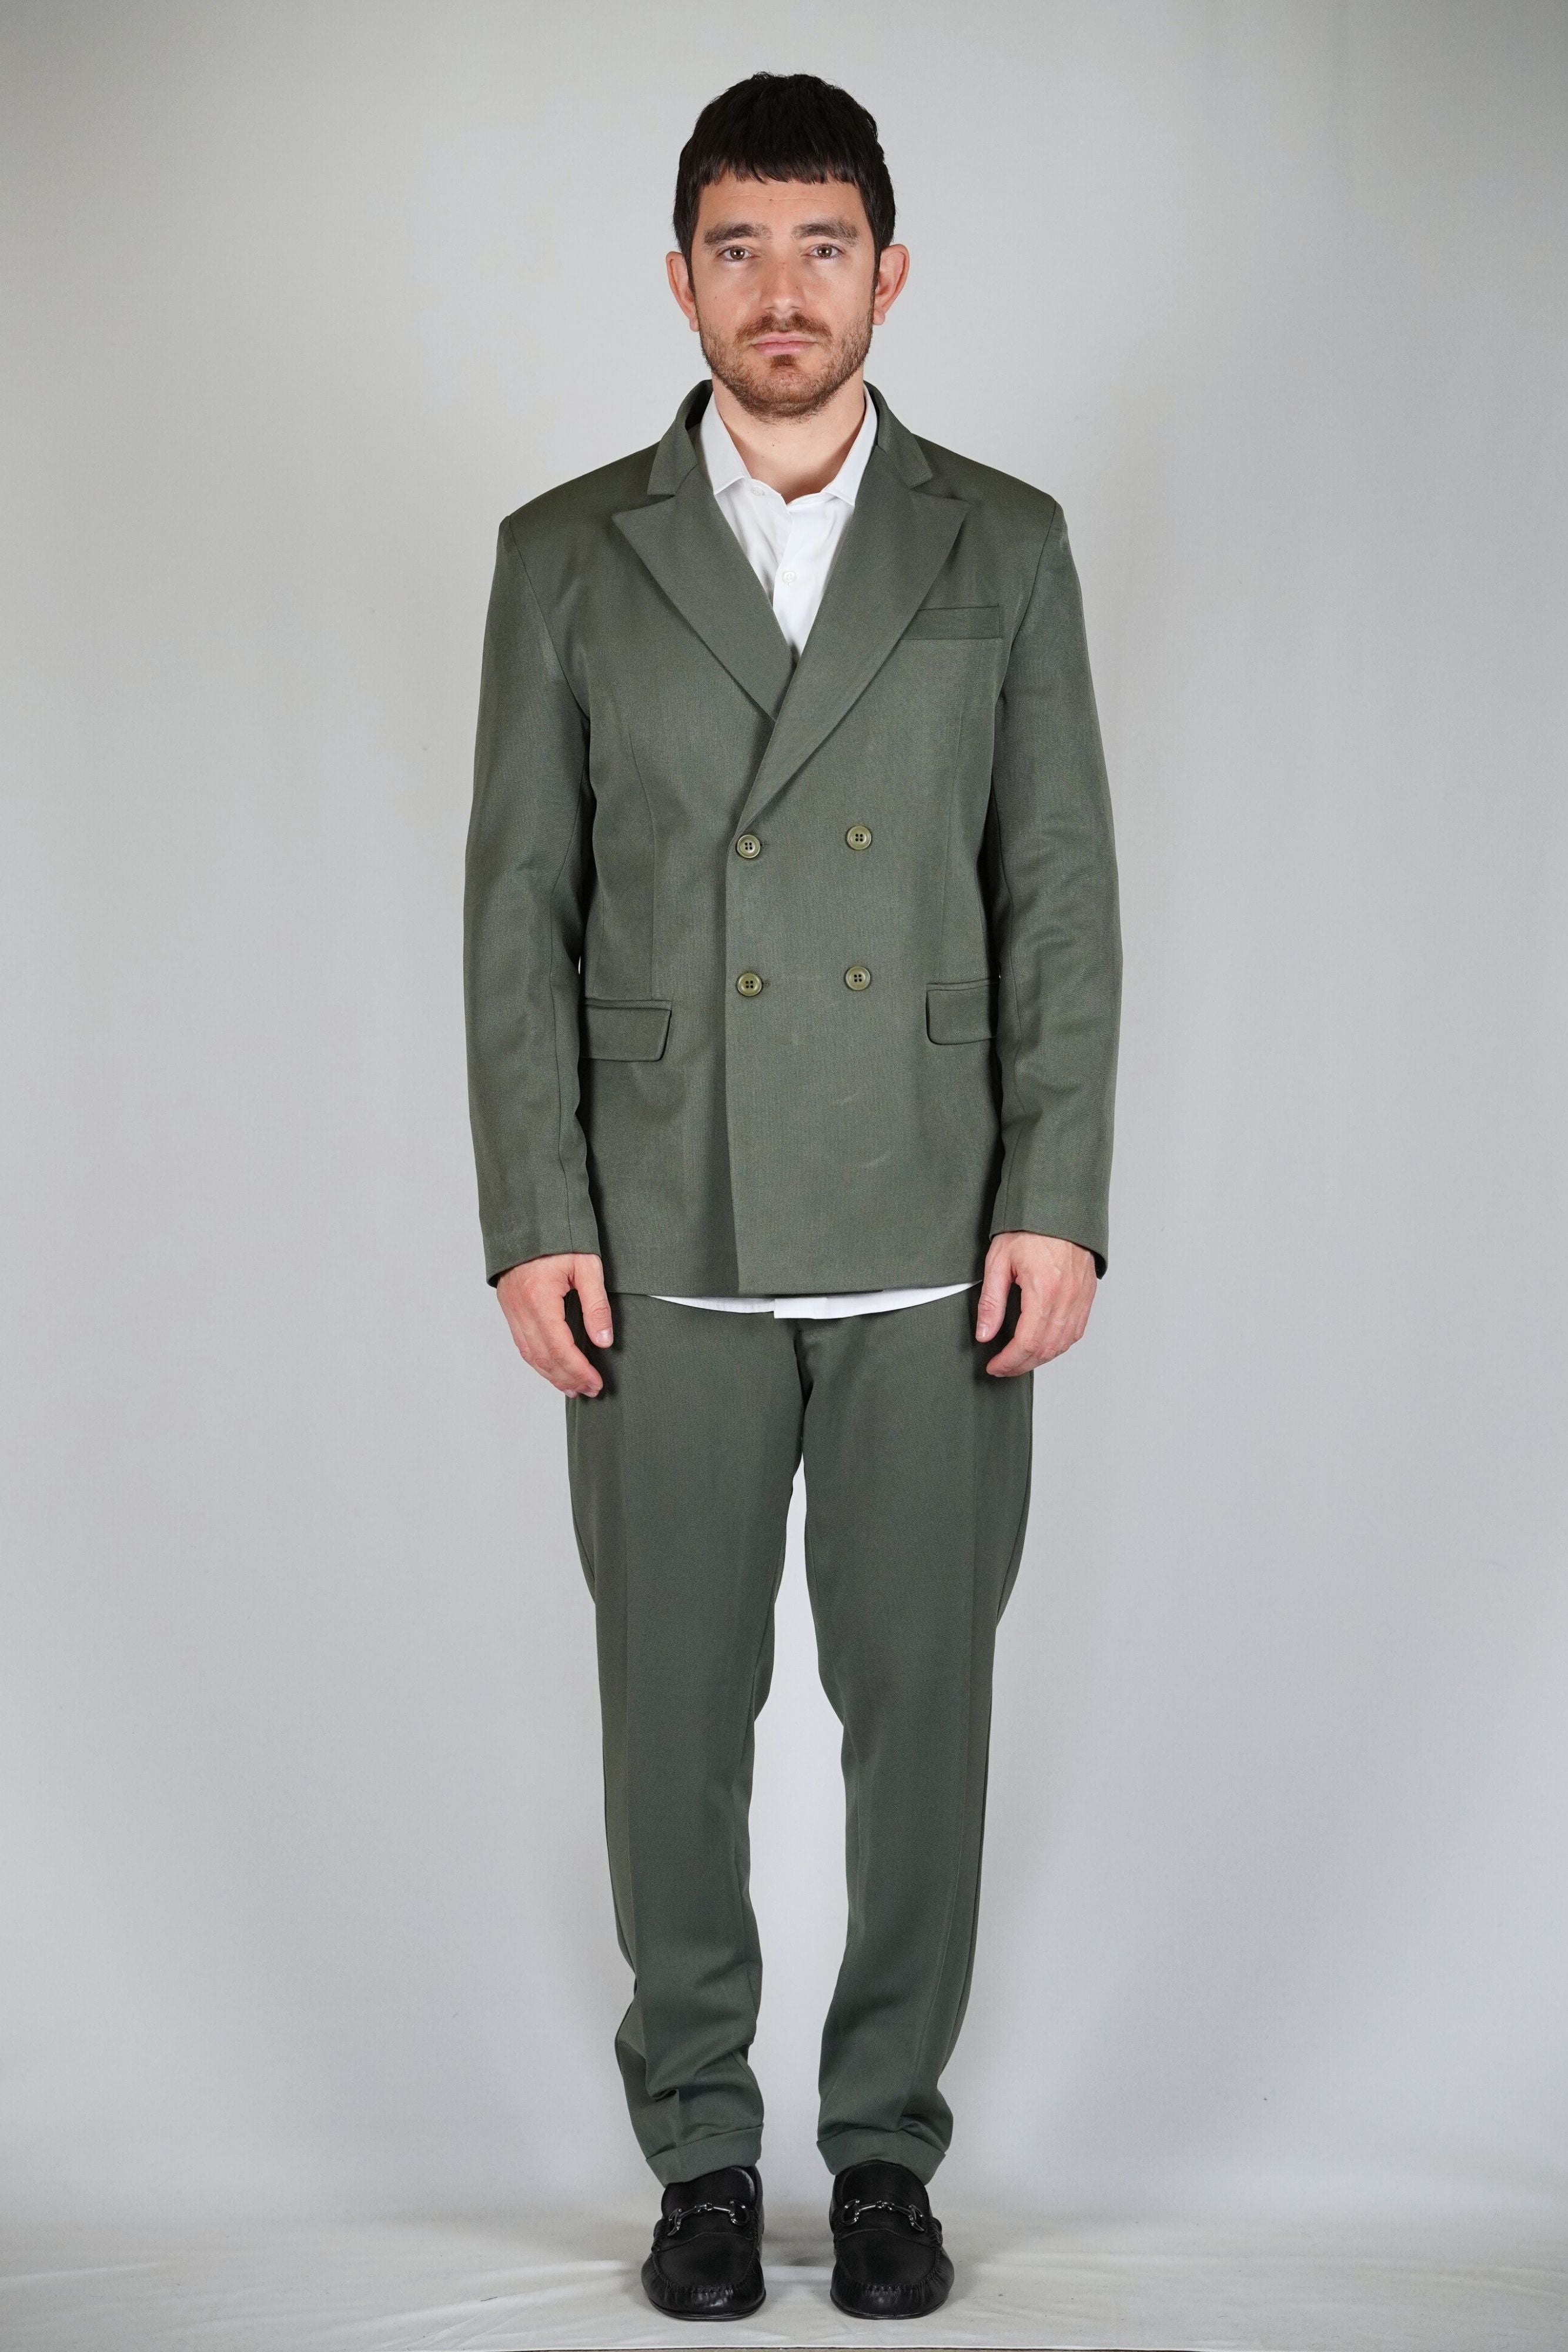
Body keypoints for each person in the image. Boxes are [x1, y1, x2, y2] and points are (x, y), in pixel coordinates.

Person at [463, 69, 1121, 2323]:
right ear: (679, 278)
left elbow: (1056, 892)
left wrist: (1061, 1193)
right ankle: (697, 2154)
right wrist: (534, 1211)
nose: (779, 290)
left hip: (939, 1222)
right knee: (671, 1725)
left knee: (921, 1721)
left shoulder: (1001, 542)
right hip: (659, 1229)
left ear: (887, 274)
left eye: (819, 246)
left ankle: (885, 2153)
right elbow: (517, 908)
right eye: (736, 248)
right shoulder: (565, 552)